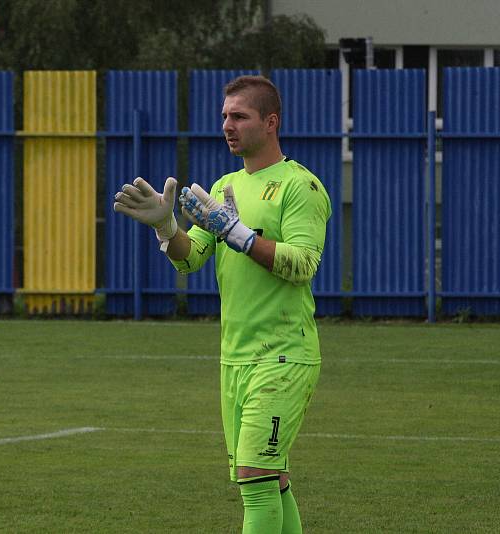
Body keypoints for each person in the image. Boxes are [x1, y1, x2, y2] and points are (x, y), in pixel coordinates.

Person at [112, 75, 331, 534]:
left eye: (239, 116)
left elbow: (303, 264)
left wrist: (239, 235)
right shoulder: (225, 184)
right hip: (235, 357)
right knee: (271, 478)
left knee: (255, 477)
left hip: (283, 354)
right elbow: (189, 260)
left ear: (270, 123)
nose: (227, 125)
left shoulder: (301, 186)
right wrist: (166, 228)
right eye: (224, 116)